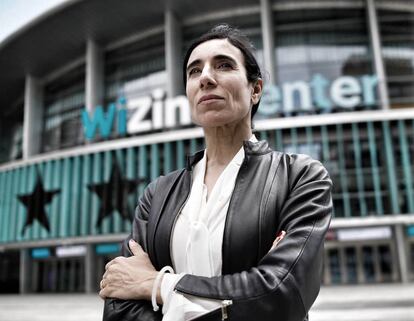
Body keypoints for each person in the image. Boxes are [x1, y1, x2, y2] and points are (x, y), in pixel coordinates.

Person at [99, 24, 332, 321]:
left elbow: (281, 294)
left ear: (255, 90)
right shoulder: (157, 194)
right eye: (194, 71)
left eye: (223, 65)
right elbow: (120, 294)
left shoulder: (299, 177)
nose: (206, 78)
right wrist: (239, 297)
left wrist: (158, 285)